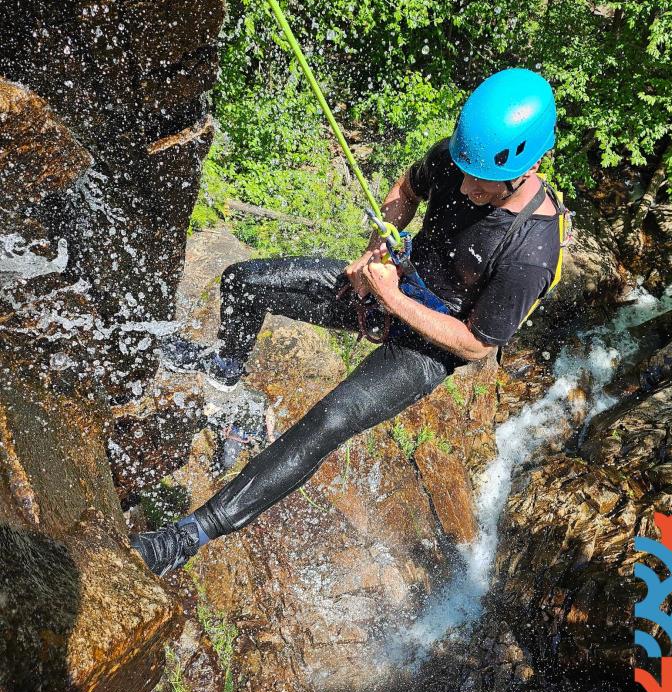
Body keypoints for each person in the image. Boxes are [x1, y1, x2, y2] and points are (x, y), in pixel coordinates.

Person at [133, 68, 563, 576]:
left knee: (329, 421)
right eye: (464, 171)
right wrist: (378, 246)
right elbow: (406, 190)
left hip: (431, 346)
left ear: (529, 164)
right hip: (393, 284)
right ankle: (227, 376)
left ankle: (187, 537)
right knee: (243, 282)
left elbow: (474, 345)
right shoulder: (461, 156)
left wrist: (393, 298)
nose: (467, 186)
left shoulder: (531, 251)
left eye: (482, 182)